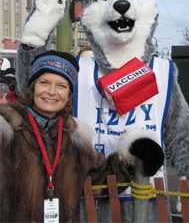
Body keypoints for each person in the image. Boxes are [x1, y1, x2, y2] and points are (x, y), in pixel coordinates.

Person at [0, 50, 131, 222]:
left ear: (69, 94)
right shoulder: (6, 128)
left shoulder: (75, 135)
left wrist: (133, 160)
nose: (52, 92)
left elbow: (99, 183)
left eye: (61, 86)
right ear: (33, 87)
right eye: (44, 83)